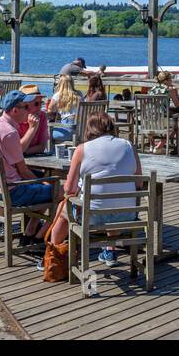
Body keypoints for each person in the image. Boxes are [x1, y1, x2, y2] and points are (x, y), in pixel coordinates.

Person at [47, 112, 142, 266]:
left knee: (63, 207)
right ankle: (109, 250)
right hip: (127, 215)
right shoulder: (128, 146)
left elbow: (69, 189)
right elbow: (138, 183)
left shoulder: (82, 149)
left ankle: (54, 256)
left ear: (89, 129)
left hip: (92, 217)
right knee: (114, 198)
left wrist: (79, 186)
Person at [0, 92, 57, 245]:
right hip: (12, 192)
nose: (29, 111)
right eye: (26, 107)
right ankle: (36, 237)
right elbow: (23, 171)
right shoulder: (9, 132)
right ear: (15, 110)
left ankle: (30, 231)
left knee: (46, 182)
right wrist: (45, 184)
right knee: (60, 192)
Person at [14, 86, 50, 156]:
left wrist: (25, 151)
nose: (40, 107)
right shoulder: (16, 119)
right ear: (25, 105)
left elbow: (42, 147)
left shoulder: (42, 116)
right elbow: (17, 150)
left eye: (41, 103)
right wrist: (32, 128)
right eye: (36, 104)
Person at [49, 74, 81, 142]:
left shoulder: (58, 95)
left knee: (45, 134)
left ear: (60, 84)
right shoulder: (79, 94)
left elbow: (50, 109)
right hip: (81, 132)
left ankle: (51, 152)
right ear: (72, 83)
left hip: (68, 131)